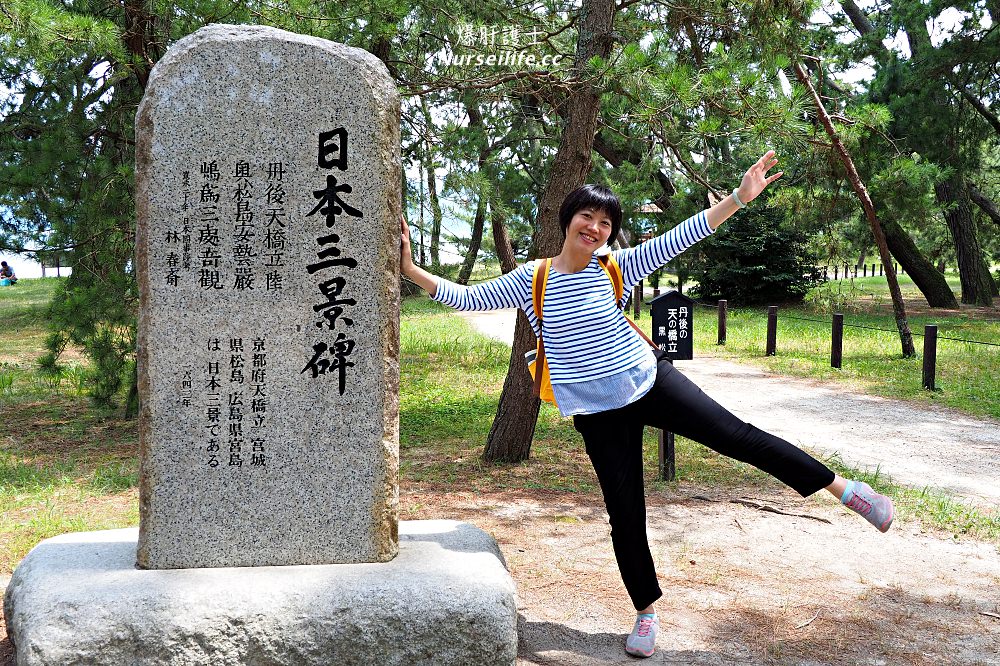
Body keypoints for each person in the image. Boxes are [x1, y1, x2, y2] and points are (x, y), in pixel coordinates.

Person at [399, 150, 894, 659]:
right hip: (596, 413)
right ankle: (646, 611)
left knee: (738, 437)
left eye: (605, 222)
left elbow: (685, 233)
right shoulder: (534, 278)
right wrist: (411, 269)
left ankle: (846, 490)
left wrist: (738, 199)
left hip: (651, 380)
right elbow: (466, 298)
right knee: (625, 512)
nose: (594, 227)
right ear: (567, 219)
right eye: (586, 217)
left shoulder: (615, 265)